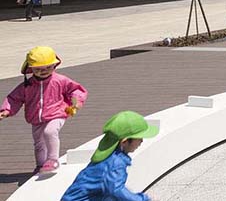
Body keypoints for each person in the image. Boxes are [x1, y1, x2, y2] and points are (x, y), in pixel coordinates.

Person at [0, 46, 88, 174]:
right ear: (31, 68)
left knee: (50, 132)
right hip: (36, 118)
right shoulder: (27, 85)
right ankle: (40, 165)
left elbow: (75, 90)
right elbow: (14, 98)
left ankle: (52, 159)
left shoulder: (60, 80)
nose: (43, 71)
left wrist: (76, 101)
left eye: (48, 67)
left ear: (54, 65)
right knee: (39, 143)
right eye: (38, 69)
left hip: (57, 113)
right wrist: (6, 110)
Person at [61, 110, 159, 201]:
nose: (142, 141)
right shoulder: (115, 163)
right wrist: (143, 199)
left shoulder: (108, 155)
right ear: (124, 141)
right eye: (139, 138)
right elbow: (117, 191)